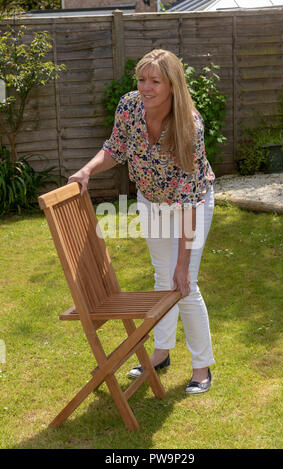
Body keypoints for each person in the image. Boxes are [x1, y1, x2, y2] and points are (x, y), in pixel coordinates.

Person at [68, 49, 215, 394]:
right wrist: (87, 169)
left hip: (190, 204)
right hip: (150, 199)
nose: (145, 88)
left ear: (172, 86)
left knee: (184, 282)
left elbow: (189, 198)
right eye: (141, 79)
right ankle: (161, 353)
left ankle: (202, 366)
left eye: (155, 81)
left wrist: (183, 261)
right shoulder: (130, 106)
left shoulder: (188, 125)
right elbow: (115, 147)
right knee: (161, 278)